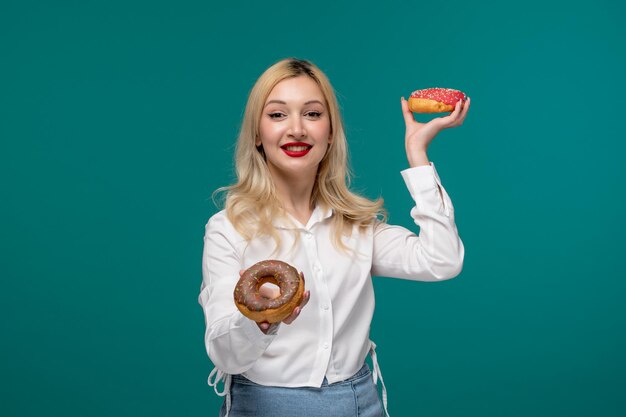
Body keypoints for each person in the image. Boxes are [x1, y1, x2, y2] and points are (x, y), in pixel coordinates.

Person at [198, 57, 470, 417]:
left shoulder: (356, 225)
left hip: (360, 402)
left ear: (330, 132)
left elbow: (442, 261)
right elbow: (225, 355)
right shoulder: (227, 229)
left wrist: (418, 157)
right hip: (264, 406)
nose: (296, 129)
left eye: (312, 114)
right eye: (278, 115)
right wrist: (259, 322)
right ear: (256, 135)